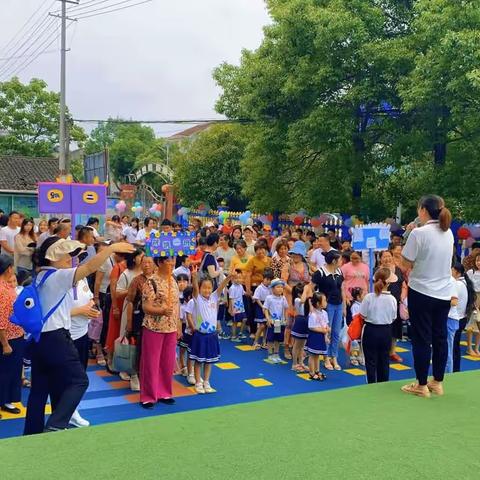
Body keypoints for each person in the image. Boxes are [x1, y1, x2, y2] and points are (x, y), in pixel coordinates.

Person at [24, 237, 134, 434]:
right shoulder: (59, 276)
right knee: (79, 381)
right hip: (57, 338)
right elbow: (90, 267)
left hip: (40, 339)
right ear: (53, 257)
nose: (70, 258)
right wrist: (112, 249)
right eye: (66, 254)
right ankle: (56, 425)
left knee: (41, 390)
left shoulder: (40, 276)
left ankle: (32, 434)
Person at [401, 195, 454, 398]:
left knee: (422, 338)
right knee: (440, 337)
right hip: (443, 292)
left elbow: (406, 263)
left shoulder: (419, 233)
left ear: (423, 210)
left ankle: (421, 385)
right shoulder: (447, 232)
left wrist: (409, 233)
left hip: (422, 291)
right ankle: (437, 382)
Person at [140, 256, 182, 408]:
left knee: (167, 362)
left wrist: (178, 325)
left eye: (173, 259)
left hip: (171, 328)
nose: (172, 262)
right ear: (160, 263)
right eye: (169, 260)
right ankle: (148, 395)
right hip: (154, 327)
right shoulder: (151, 282)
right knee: (151, 362)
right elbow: (146, 306)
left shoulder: (174, 280)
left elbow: (177, 305)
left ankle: (164, 392)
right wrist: (162, 311)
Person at [187, 267, 232, 394]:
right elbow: (195, 289)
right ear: (200, 288)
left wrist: (228, 277)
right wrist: (194, 277)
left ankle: (206, 381)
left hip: (211, 335)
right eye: (204, 288)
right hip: (200, 335)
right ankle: (198, 382)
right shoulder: (197, 299)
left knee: (209, 361)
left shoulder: (214, 297)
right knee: (198, 360)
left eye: (209, 287)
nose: (207, 290)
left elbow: (221, 287)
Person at [68, 275, 101, 427]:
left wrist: (91, 307)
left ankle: (71, 410)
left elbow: (90, 299)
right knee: (72, 379)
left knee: (81, 374)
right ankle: (67, 413)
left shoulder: (83, 279)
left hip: (82, 333)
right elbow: (58, 311)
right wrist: (82, 310)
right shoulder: (62, 280)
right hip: (68, 336)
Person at [360, 268, 398, 384]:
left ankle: (371, 384)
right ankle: (384, 384)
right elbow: (393, 317)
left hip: (370, 330)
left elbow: (363, 315)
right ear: (389, 283)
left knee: (370, 361)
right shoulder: (392, 299)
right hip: (386, 330)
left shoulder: (369, 297)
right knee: (384, 360)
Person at [0, 255, 25, 418]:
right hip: (9, 339)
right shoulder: (2, 291)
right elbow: (1, 320)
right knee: (5, 372)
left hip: (15, 335)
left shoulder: (6, 286)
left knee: (10, 372)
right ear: (9, 268)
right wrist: (5, 344)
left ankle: (5, 400)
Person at [312, 250, 346, 371]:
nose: (341, 262)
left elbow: (342, 288)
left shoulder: (339, 271)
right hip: (327, 306)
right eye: (340, 260)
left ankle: (334, 356)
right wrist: (313, 307)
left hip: (339, 304)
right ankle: (325, 357)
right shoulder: (320, 272)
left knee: (336, 332)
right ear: (334, 261)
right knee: (327, 331)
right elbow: (311, 288)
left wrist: (344, 306)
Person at [377, 250, 407, 362]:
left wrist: (403, 297)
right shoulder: (378, 271)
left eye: (389, 256)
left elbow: (403, 285)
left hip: (396, 304)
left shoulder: (397, 270)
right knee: (382, 328)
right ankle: (381, 350)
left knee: (395, 329)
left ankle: (392, 351)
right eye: (384, 257)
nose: (387, 259)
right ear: (380, 259)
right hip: (382, 304)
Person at [446, 263, 474, 373]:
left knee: (451, 349)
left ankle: (451, 371)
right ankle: (455, 369)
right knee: (454, 348)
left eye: (451, 270)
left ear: (457, 272)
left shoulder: (457, 284)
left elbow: (453, 301)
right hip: (461, 317)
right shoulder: (464, 282)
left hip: (455, 318)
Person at [305, 292, 329, 381]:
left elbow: (326, 324)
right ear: (318, 303)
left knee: (318, 355)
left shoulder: (325, 313)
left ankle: (317, 371)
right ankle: (311, 372)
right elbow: (311, 327)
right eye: (325, 301)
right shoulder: (313, 314)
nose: (326, 302)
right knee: (312, 355)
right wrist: (323, 330)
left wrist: (326, 334)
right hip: (314, 337)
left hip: (321, 337)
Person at [263, 278, 289, 363]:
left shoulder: (283, 298)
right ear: (272, 288)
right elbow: (265, 309)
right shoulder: (269, 298)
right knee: (271, 338)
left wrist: (285, 319)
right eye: (278, 287)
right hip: (273, 321)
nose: (280, 289)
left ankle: (276, 354)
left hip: (279, 322)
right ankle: (270, 354)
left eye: (281, 287)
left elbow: (285, 309)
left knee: (277, 339)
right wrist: (268, 319)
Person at [252, 268, 274, 349]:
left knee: (267, 325)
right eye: (267, 279)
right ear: (263, 278)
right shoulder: (259, 288)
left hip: (267, 306)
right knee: (261, 325)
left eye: (270, 280)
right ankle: (255, 342)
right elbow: (256, 299)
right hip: (260, 306)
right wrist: (263, 307)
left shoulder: (270, 288)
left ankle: (264, 342)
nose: (268, 281)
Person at [291, 283, 309, 372]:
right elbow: (302, 300)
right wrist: (305, 290)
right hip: (300, 321)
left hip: (306, 321)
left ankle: (301, 362)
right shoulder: (297, 299)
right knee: (297, 344)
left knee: (302, 345)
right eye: (304, 292)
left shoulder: (306, 299)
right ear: (299, 293)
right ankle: (294, 364)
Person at [177, 282, 194, 379]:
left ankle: (189, 367)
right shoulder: (183, 307)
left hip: (191, 330)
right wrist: (180, 331)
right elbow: (180, 320)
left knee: (190, 350)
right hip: (184, 329)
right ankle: (182, 365)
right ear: (188, 298)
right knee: (182, 348)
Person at [465, 253, 480, 356]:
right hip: (473, 298)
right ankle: (469, 347)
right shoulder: (471, 272)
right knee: (471, 325)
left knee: (479, 326)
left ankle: (477, 347)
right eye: (478, 260)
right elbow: (468, 287)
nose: (479, 263)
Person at [228, 269, 247, 342]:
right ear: (232, 279)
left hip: (241, 307)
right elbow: (231, 299)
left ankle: (240, 333)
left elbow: (243, 293)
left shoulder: (241, 286)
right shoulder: (232, 288)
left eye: (240, 278)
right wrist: (232, 309)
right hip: (235, 308)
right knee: (235, 322)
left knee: (244, 319)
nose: (238, 280)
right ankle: (233, 336)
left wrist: (250, 295)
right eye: (236, 278)